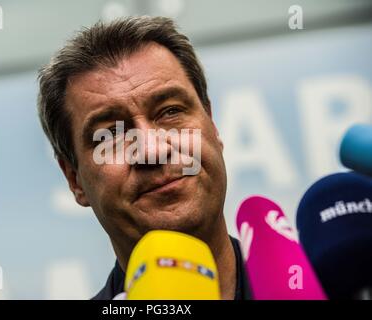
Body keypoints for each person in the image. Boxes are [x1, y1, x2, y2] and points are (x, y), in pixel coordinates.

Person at [37, 16, 249, 300]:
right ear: (74, 179)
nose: (151, 151)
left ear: (212, 125)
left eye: (170, 111)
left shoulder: (317, 285)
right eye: (112, 134)